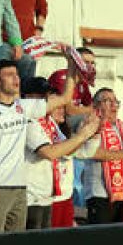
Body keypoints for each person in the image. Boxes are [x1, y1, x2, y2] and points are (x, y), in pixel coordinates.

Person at [0, 59, 76, 234]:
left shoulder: (23, 106)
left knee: (16, 244)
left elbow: (65, 98)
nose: (16, 78)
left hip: (20, 187)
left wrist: (72, 64)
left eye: (17, 74)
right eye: (9, 75)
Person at [24, 78, 100, 230]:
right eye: (44, 97)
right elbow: (50, 152)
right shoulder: (28, 121)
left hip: (56, 195)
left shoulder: (50, 123)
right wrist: (82, 136)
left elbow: (71, 152)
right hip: (33, 197)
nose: (59, 107)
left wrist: (93, 135)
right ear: (29, 98)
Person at [74, 88, 123, 224]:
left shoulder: (121, 126)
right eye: (108, 101)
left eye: (116, 102)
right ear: (96, 105)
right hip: (99, 193)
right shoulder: (89, 123)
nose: (114, 105)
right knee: (101, 239)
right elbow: (92, 153)